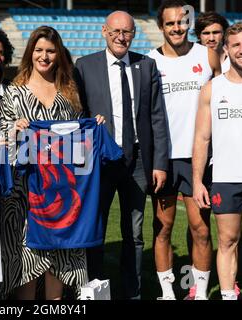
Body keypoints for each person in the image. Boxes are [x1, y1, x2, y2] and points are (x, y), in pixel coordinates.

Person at [0, 25, 105, 300]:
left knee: (58, 267)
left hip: (62, 194)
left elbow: (79, 144)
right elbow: (1, 141)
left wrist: (94, 130)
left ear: (58, 54)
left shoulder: (69, 92)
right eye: (39, 50)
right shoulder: (14, 93)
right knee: (27, 268)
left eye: (50, 51)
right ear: (30, 52)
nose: (44, 57)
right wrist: (15, 132)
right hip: (25, 197)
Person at [74, 11, 168, 300]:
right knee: (95, 231)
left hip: (138, 160)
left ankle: (132, 293)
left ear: (133, 34)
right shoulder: (84, 66)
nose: (121, 37)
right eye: (115, 31)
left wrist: (160, 164)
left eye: (126, 32)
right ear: (104, 31)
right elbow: (78, 115)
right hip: (100, 161)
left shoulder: (146, 65)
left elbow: (157, 117)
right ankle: (95, 291)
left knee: (135, 234)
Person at [147, 0, 221, 300]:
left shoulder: (208, 55)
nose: (177, 28)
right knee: (163, 229)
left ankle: (198, 293)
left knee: (200, 230)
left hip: (199, 158)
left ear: (188, 23)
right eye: (170, 23)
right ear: (161, 27)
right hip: (164, 159)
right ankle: (168, 293)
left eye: (181, 22)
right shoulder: (150, 61)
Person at [192, 21, 242, 301]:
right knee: (227, 241)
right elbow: (201, 139)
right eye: (236, 45)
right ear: (226, 48)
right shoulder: (212, 89)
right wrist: (198, 181)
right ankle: (227, 296)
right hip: (225, 177)